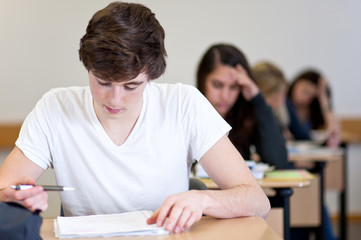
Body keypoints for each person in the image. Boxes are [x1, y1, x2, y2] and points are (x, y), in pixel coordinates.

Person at [0, 1, 270, 234]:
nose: (115, 100)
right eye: (103, 82)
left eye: (131, 86)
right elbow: (5, 188)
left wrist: (203, 201)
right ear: (87, 67)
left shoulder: (183, 104)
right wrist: (12, 196)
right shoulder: (55, 107)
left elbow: (257, 200)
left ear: (151, 76)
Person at [196, 44, 290, 169]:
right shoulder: (189, 114)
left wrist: (257, 98)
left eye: (233, 87)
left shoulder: (244, 117)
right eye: (217, 85)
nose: (225, 96)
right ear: (202, 81)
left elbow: (278, 162)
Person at [252, 61, 311, 140]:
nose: (280, 102)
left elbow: (301, 134)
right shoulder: (247, 116)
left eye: (283, 95)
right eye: (274, 98)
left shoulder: (282, 106)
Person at [287, 69, 340, 147]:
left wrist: (324, 100)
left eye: (311, 96)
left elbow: (334, 132)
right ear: (295, 84)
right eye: (304, 90)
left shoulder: (311, 111)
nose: (305, 97)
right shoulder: (284, 104)